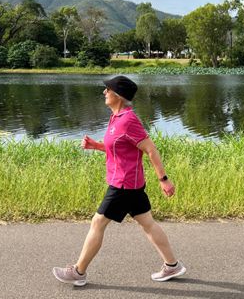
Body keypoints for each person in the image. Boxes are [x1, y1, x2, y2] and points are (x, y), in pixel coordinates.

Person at [52, 75, 186, 287]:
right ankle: (172, 265)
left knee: (98, 222)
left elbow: (150, 150)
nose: (104, 92)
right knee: (148, 224)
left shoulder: (128, 120)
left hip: (124, 184)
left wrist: (164, 179)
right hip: (128, 183)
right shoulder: (116, 118)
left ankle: (79, 272)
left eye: (108, 89)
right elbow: (120, 148)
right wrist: (97, 146)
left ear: (119, 95)